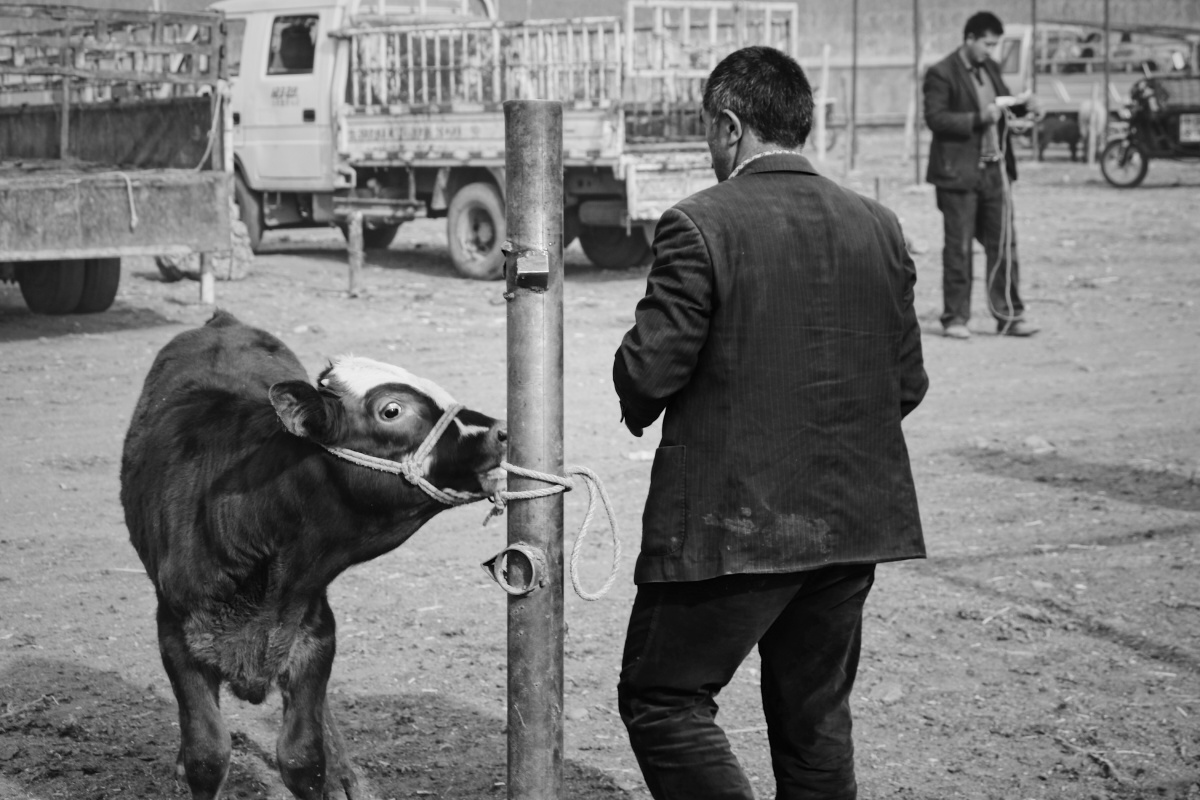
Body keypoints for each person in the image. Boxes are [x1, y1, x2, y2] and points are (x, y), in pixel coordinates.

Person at [612, 46, 928, 800]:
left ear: (728, 126)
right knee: (814, 722)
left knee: (664, 701)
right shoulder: (878, 224)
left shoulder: (698, 223)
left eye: (706, 130)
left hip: (734, 524)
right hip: (853, 519)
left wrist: (631, 378)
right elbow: (906, 382)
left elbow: (650, 372)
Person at [924, 11, 1040, 339]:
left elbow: (1002, 107)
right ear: (970, 38)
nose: (991, 49)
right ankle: (956, 318)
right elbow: (936, 119)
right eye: (987, 43)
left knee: (1004, 243)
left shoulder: (990, 68)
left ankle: (1010, 315)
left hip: (995, 171)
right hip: (957, 175)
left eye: (995, 44)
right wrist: (978, 117)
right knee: (958, 247)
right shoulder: (941, 73)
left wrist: (1024, 107)